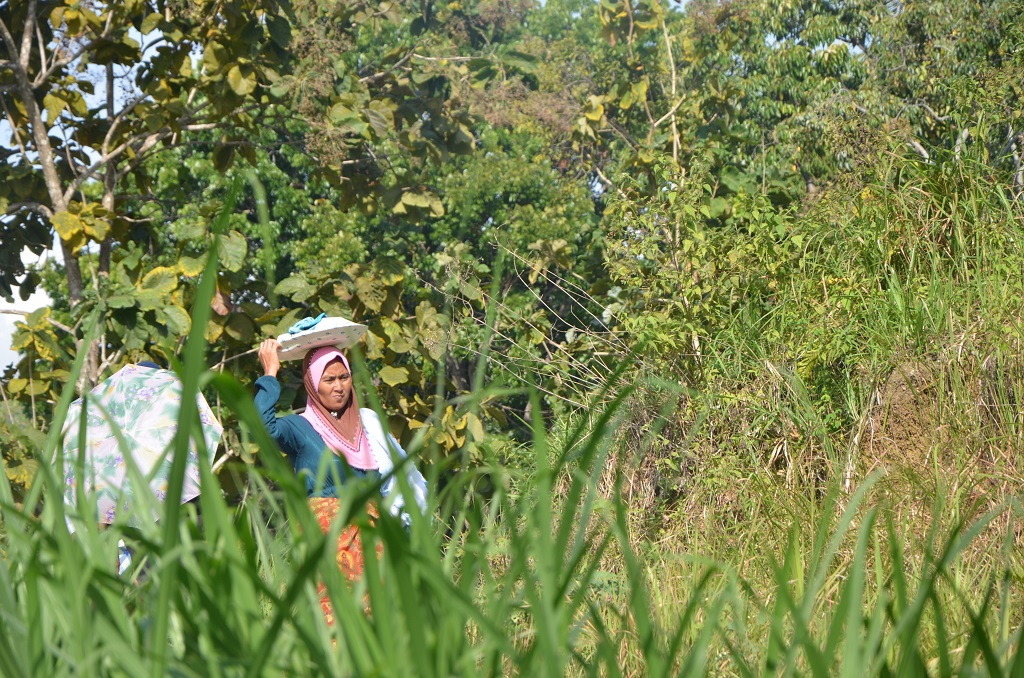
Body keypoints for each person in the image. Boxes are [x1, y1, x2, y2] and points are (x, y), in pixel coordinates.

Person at [255, 338, 426, 622]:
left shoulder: (363, 427)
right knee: (332, 617)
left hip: (371, 540)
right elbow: (263, 427)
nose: (339, 386)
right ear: (312, 384)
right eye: (329, 379)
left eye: (344, 377)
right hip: (325, 542)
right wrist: (270, 373)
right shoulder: (301, 427)